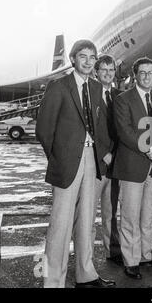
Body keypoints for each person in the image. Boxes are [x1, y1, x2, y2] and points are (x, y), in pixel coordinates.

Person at [36, 40, 115, 288]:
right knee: (60, 225)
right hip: (67, 161)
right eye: (83, 56)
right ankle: (52, 281)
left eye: (92, 57)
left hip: (92, 159)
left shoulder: (95, 87)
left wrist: (104, 153)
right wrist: (58, 158)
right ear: (73, 59)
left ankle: (86, 273)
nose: (89, 61)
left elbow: (100, 126)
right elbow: (44, 129)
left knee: (87, 221)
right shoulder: (58, 86)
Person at [112, 57, 152, 280]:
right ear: (135, 75)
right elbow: (124, 131)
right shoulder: (123, 99)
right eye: (142, 73)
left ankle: (146, 254)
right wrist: (147, 150)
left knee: (147, 215)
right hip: (132, 164)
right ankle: (131, 260)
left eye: (150, 72)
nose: (146, 76)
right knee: (130, 216)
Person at [92, 55, 122, 265]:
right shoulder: (88, 95)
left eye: (111, 70)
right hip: (95, 163)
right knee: (87, 213)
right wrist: (104, 153)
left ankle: (113, 251)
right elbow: (86, 129)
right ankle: (86, 259)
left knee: (111, 211)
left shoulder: (120, 96)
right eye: (104, 70)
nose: (108, 74)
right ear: (96, 72)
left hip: (116, 165)